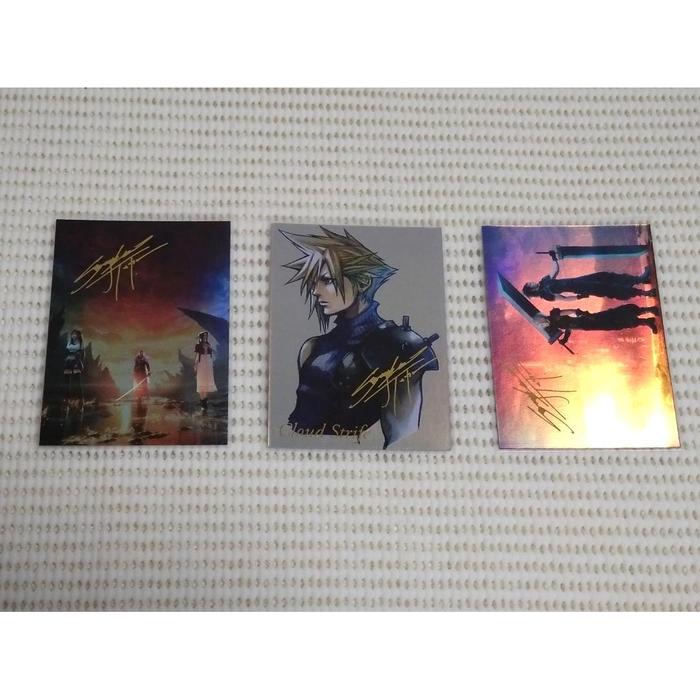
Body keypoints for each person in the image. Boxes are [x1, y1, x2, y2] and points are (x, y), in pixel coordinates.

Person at [281, 226, 439, 448]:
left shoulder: (399, 347)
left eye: (326, 280)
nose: (315, 291)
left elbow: (404, 439)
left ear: (363, 282)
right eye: (314, 282)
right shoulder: (311, 348)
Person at [523, 253, 656, 301]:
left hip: (580, 280)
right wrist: (578, 297)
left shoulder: (544, 281)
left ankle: (638, 280)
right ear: (531, 289)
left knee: (605, 276)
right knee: (609, 289)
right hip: (581, 288)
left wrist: (553, 258)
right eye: (530, 284)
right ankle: (641, 287)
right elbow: (563, 299)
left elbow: (554, 270)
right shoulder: (546, 295)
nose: (532, 282)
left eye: (530, 282)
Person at [542, 304, 660, 346]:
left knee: (616, 314)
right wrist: (565, 339)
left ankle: (648, 310)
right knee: (617, 325)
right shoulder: (557, 324)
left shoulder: (555, 315)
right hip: (589, 326)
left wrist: (586, 315)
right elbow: (569, 327)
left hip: (589, 320)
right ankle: (646, 322)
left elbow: (573, 311)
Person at [194, 331, 217, 410]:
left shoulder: (208, 344)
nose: (205, 337)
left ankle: (205, 404)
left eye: (206, 336)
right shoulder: (198, 345)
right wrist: (195, 365)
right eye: (204, 336)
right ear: (201, 337)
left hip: (208, 363)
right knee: (201, 382)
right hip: (201, 363)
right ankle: (202, 404)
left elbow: (211, 355)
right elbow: (197, 356)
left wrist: (210, 348)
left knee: (207, 382)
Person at [63, 329, 84, 403]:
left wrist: (75, 358)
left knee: (77, 382)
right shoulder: (69, 342)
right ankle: (67, 399)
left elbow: (79, 352)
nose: (73, 335)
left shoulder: (80, 343)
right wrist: (68, 357)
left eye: (75, 334)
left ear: (78, 335)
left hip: (76, 363)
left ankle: (80, 399)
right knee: (67, 382)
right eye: (72, 334)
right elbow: (67, 350)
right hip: (68, 363)